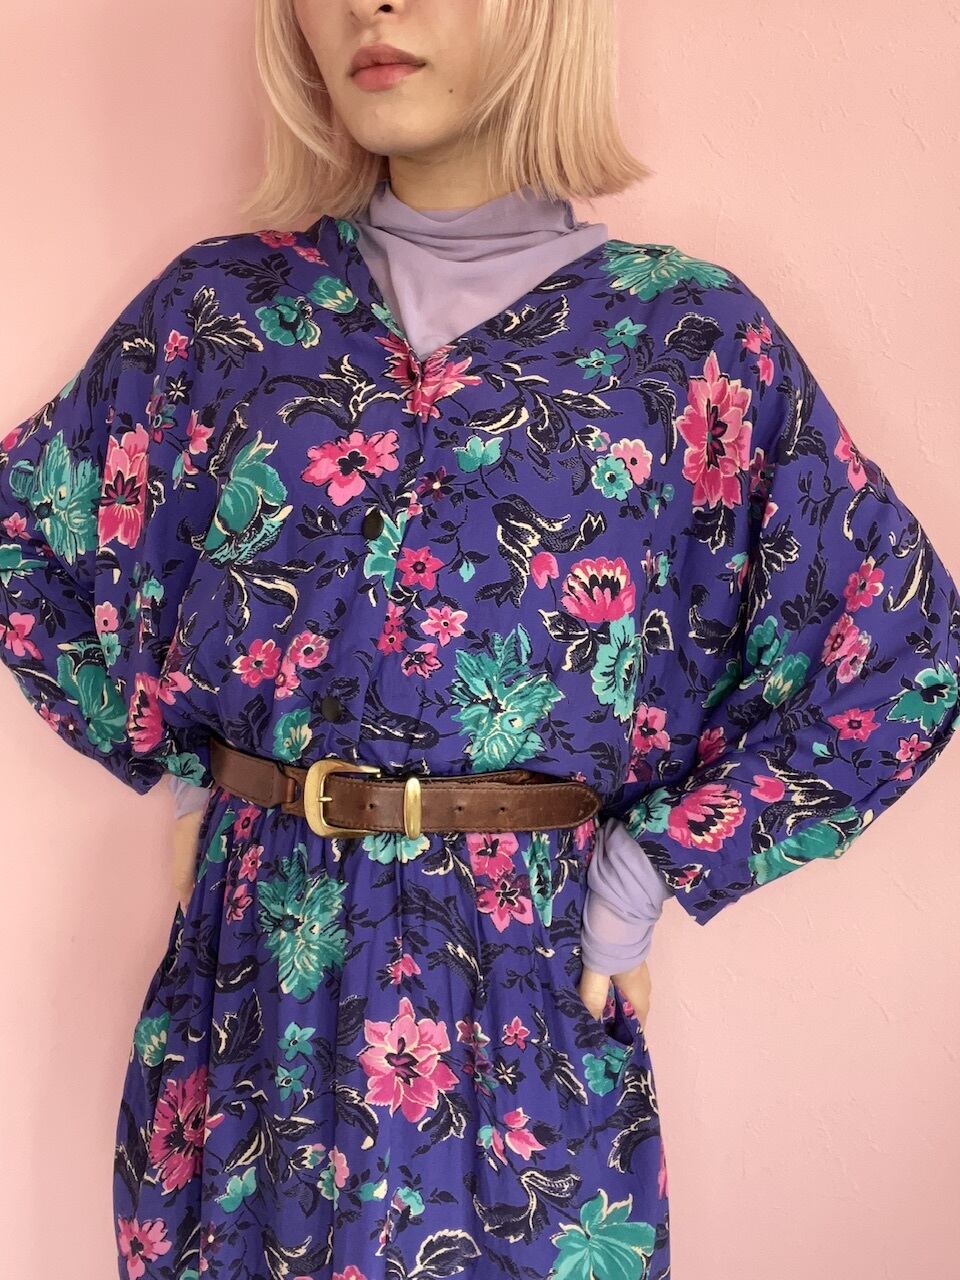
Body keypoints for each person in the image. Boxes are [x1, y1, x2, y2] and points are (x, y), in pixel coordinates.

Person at [1, 2, 957, 1277]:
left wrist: (648, 873)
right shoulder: (221, 315)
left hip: (524, 1005)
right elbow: (33, 535)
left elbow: (899, 647)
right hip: (254, 998)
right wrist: (191, 768)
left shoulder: (685, 341)